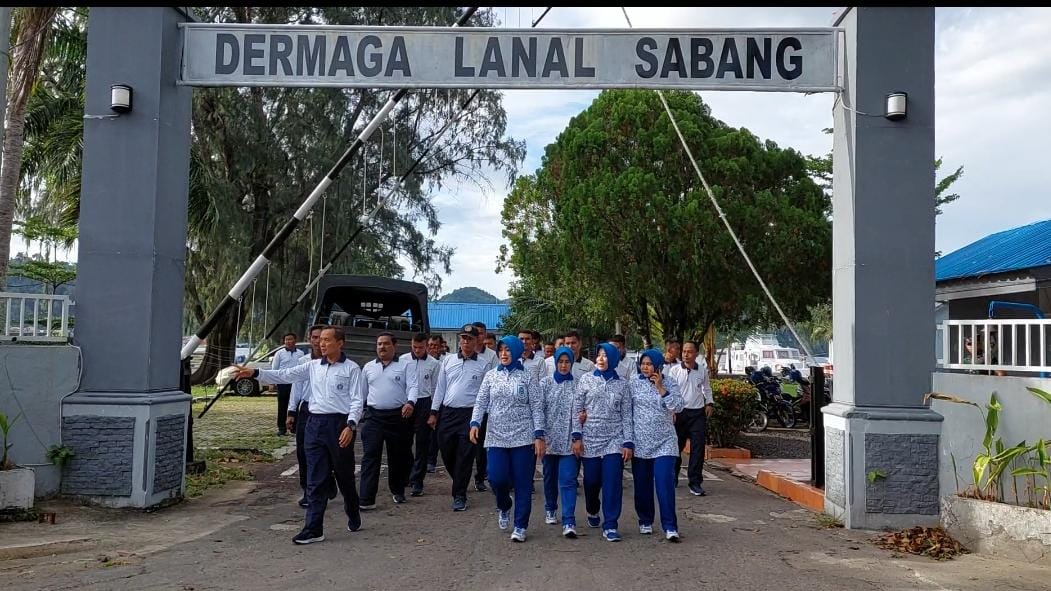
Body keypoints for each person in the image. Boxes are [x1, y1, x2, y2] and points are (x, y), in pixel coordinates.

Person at [235, 326, 362, 545]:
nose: (322, 344)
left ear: (340, 343)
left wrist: (350, 426)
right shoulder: (312, 366)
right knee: (316, 478)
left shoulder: (351, 369)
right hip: (315, 424)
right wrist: (256, 373)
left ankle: (353, 511)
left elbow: (357, 400)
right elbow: (285, 375)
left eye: (327, 340)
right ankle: (313, 528)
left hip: (339, 425)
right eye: (320, 340)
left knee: (344, 476)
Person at [469, 335, 545, 542]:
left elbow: (537, 406)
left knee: (522, 484)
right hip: (496, 437)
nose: (503, 353)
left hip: (523, 437)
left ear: (517, 352)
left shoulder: (527, 377)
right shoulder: (491, 376)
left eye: (508, 350)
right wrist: (475, 423)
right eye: (501, 350)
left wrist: (539, 435)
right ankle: (504, 505)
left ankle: (520, 525)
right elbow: (481, 401)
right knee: (496, 478)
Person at [572, 342, 634, 542]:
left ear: (614, 359)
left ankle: (610, 524)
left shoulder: (623, 384)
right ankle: (592, 509)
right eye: (598, 355)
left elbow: (627, 415)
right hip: (590, 438)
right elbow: (577, 409)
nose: (600, 359)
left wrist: (628, 442)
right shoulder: (586, 380)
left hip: (614, 440)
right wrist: (577, 436)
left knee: (613, 482)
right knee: (591, 481)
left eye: (605, 356)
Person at [428, 324, 490, 511]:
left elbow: (486, 392)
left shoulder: (484, 364)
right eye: (463, 338)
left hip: (470, 415)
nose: (466, 342)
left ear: (475, 341)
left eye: (470, 338)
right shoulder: (448, 361)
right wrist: (433, 412)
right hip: (448, 413)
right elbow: (440, 388)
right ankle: (460, 479)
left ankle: (459, 495)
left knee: (465, 454)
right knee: (446, 450)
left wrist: (482, 417)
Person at [630, 349, 684, 541]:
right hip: (640, 442)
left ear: (658, 366)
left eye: (649, 364)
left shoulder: (670, 382)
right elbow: (626, 412)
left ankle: (670, 526)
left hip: (665, 442)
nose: (646, 367)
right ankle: (645, 520)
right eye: (643, 363)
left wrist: (661, 388)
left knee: (664, 483)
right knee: (642, 485)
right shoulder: (633, 383)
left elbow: (677, 406)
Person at [358, 332, 418, 509]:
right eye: (379, 344)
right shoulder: (369, 367)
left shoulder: (406, 366)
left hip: (397, 417)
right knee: (370, 456)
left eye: (385, 344)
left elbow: (413, 386)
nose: (382, 347)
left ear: (394, 346)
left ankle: (398, 490)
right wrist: (357, 413)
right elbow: (361, 393)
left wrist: (410, 402)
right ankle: (366, 498)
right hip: (374, 417)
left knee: (398, 456)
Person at [288, 325, 337, 508]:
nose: (318, 342)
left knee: (328, 452)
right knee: (303, 453)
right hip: (307, 409)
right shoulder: (303, 362)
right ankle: (308, 491)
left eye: (322, 338)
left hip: (327, 411)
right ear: (310, 339)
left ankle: (328, 480)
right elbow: (296, 386)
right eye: (315, 337)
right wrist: (291, 411)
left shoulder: (335, 362)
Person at [540, 346, 583, 538]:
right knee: (549, 477)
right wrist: (540, 436)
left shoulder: (579, 385)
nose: (564, 365)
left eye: (567, 362)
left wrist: (577, 436)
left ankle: (569, 520)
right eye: (560, 362)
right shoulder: (545, 384)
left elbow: (582, 409)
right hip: (549, 442)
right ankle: (550, 507)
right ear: (555, 363)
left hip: (569, 441)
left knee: (568, 480)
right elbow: (538, 410)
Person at [666, 340, 714, 496]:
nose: (686, 355)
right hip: (679, 413)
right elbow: (669, 392)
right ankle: (673, 475)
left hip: (697, 414)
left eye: (689, 352)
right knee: (676, 448)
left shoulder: (702, 371)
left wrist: (709, 403)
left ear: (696, 354)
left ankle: (695, 482)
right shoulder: (674, 371)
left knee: (698, 449)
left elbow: (706, 388)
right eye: (684, 351)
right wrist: (671, 410)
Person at [403, 333, 440, 496]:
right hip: (406, 403)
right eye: (414, 347)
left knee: (422, 444)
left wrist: (434, 412)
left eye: (420, 347)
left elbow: (435, 390)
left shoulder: (434, 364)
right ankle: (407, 473)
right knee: (404, 442)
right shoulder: (403, 360)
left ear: (426, 346)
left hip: (424, 403)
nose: (417, 350)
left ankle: (418, 480)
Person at [471, 321, 498, 492]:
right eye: (476, 333)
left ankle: (480, 476)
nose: (479, 336)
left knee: (481, 446)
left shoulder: (492, 357)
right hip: (465, 406)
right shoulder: (463, 354)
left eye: (482, 333)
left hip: (485, 408)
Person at [272, 332, 304, 435]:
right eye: (286, 340)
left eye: (290, 339)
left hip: (296, 383)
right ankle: (281, 428)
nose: (288, 341)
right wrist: (273, 383)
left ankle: (294, 427)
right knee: (282, 406)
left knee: (295, 405)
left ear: (295, 341)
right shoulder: (279, 353)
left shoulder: (300, 353)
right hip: (283, 383)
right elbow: (274, 369)